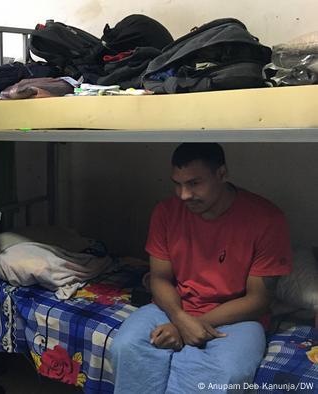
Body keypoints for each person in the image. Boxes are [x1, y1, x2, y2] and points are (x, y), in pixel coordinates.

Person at [110, 143, 292, 393]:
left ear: (221, 174)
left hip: (238, 317)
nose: (184, 195)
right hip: (174, 306)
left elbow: (258, 300)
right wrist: (180, 318)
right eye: (177, 183)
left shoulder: (266, 219)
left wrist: (188, 326)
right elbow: (160, 279)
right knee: (126, 346)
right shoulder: (166, 212)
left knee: (227, 373)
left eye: (194, 183)